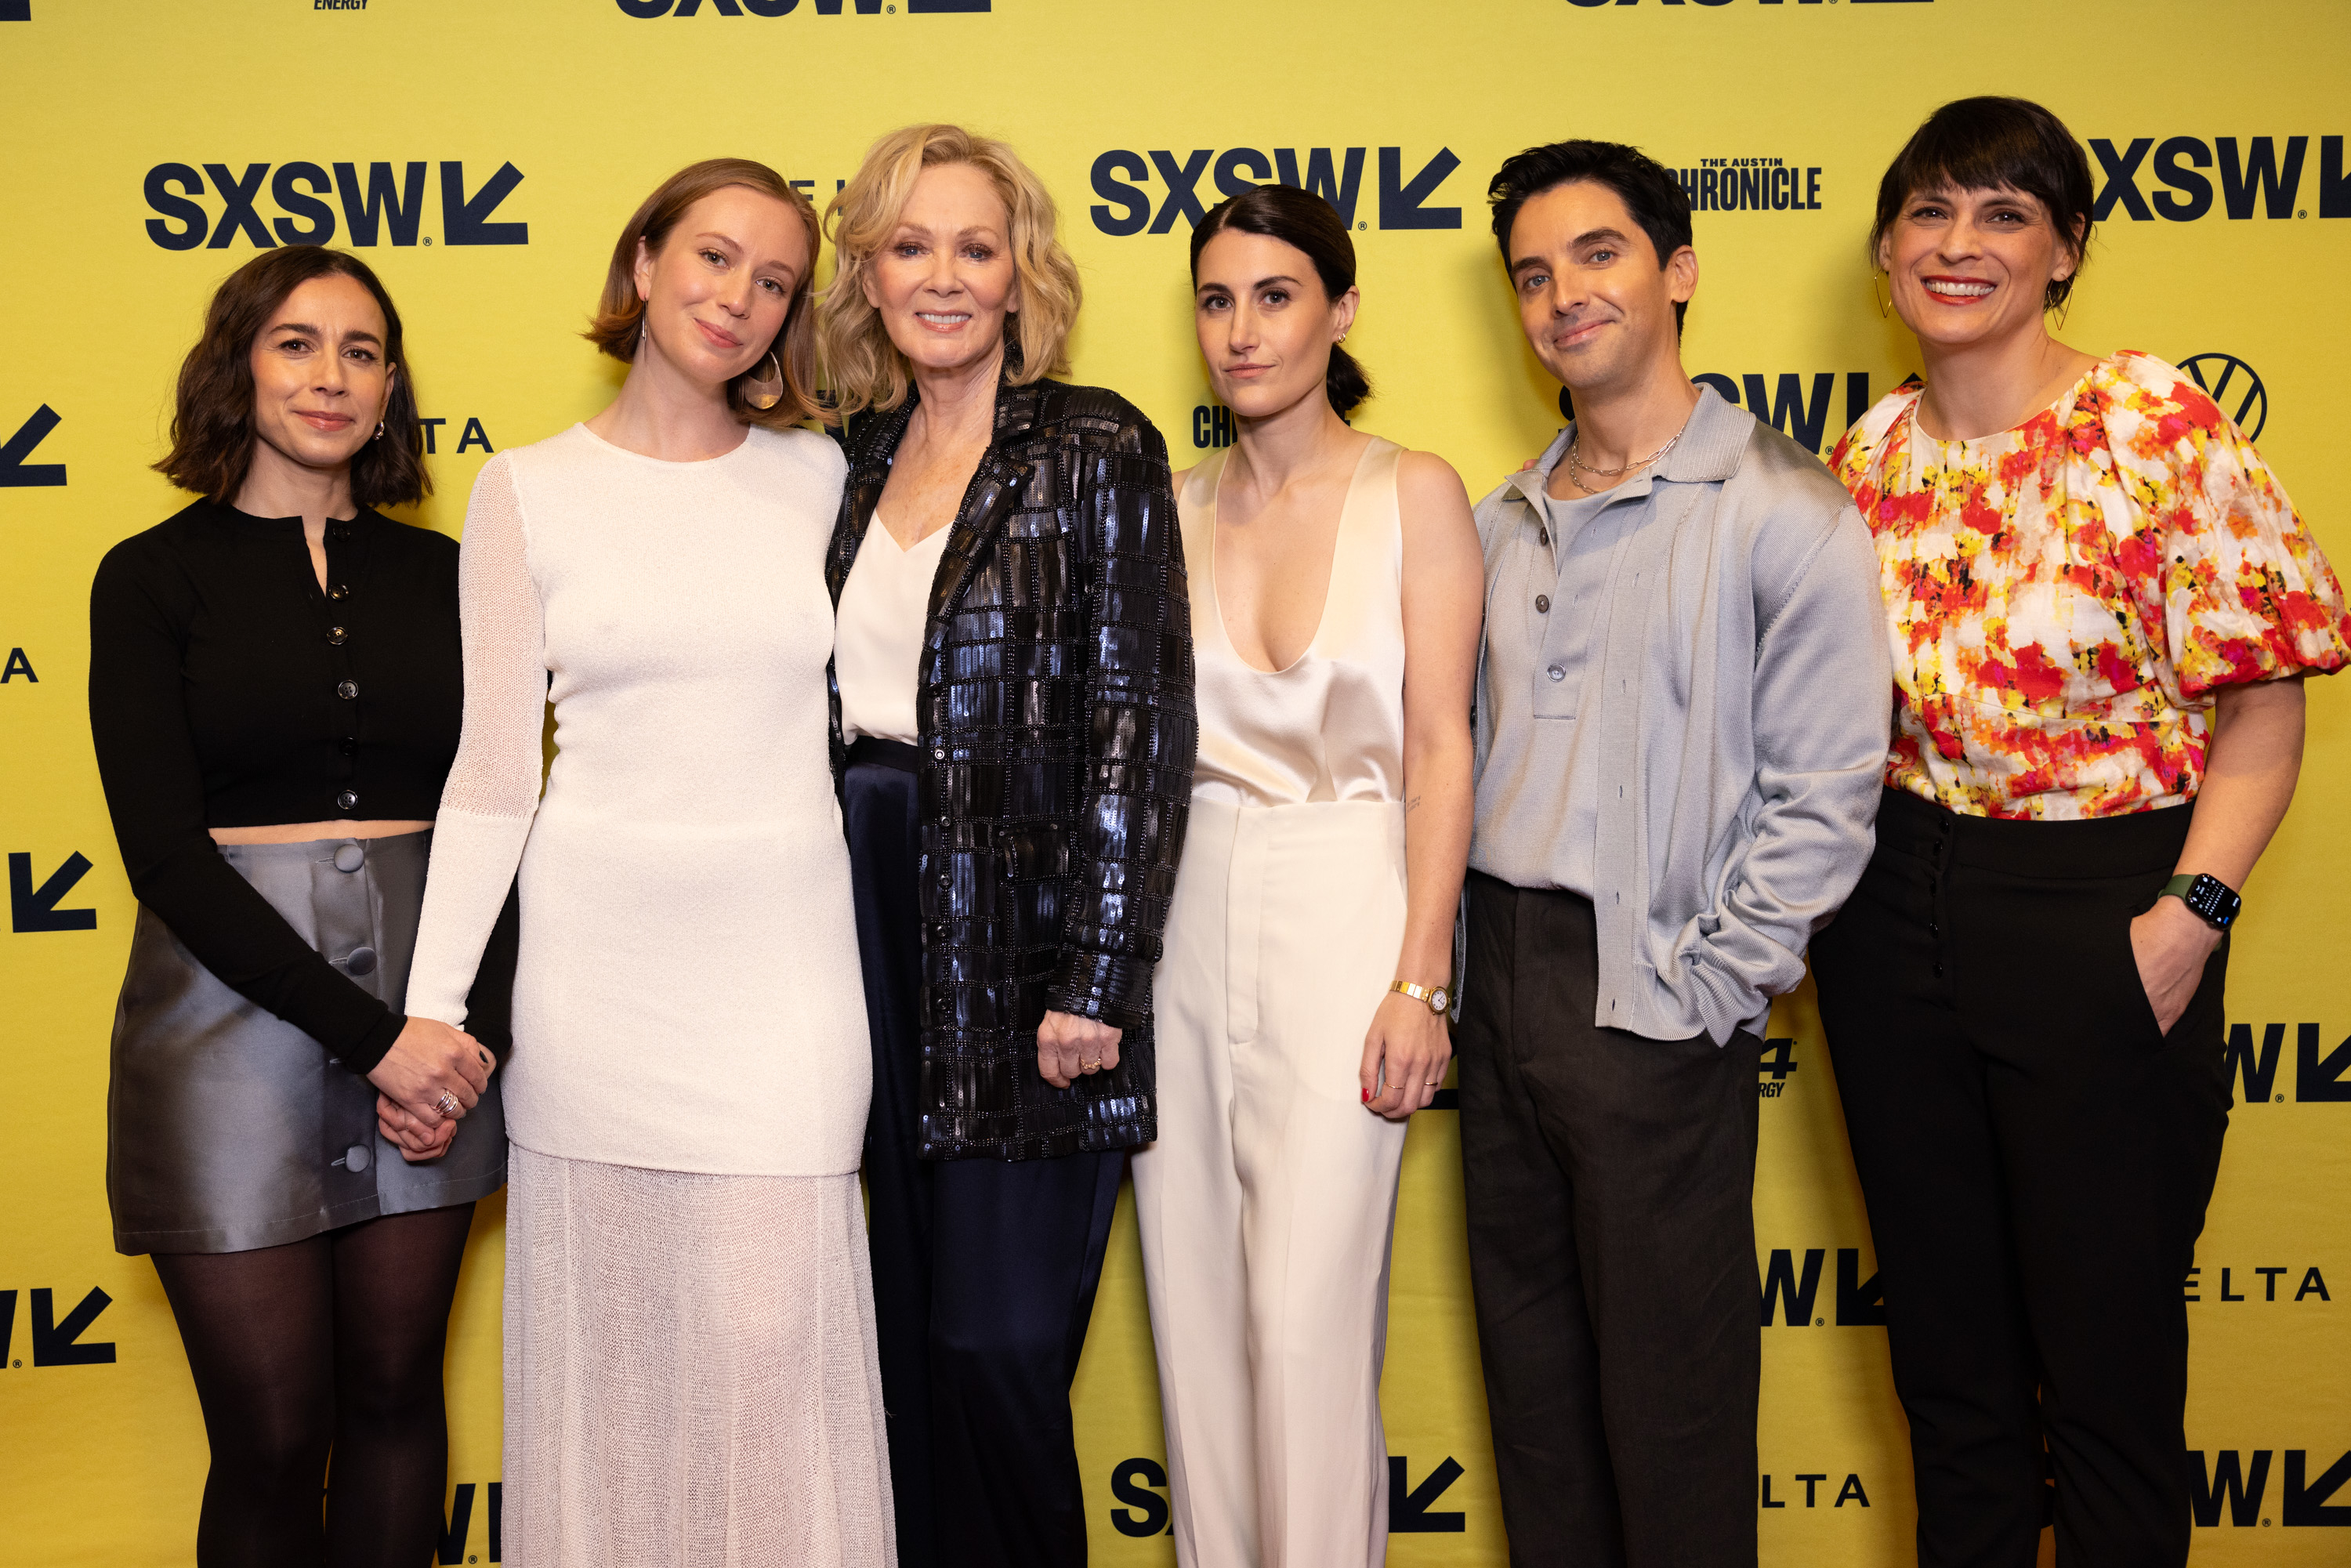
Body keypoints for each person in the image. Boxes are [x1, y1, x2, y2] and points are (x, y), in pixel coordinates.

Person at [1815, 96, 2351, 1568]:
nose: (1959, 243)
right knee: (1951, 1375)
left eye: (2003, 214)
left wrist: (2191, 921)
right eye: (1930, 211)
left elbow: (2265, 705)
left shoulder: (2152, 424)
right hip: (1892, 907)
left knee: (2109, 1381)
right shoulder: (1862, 459)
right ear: (1884, 252)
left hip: (2102, 902)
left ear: (2065, 252)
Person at [393, 158, 892, 1565]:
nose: (739, 297)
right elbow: (494, 771)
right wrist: (436, 1004)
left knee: (767, 1345)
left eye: (776, 280)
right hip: (597, 986)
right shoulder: (526, 492)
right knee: (611, 1369)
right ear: (645, 262)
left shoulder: (822, 478)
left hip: (785, 983)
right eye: (715, 257)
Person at [1459, 140, 1892, 1568]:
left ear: (1678, 270)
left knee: (1675, 1405)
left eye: (1598, 254)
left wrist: (1717, 982)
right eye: (1533, 272)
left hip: (1649, 984)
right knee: (1537, 1396)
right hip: (1501, 974)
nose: (1563, 294)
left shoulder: (1787, 508)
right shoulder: (1499, 513)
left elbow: (1826, 791)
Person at [89, 244, 516, 1567]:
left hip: (431, 1022)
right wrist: (371, 1037)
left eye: (362, 350)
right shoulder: (151, 578)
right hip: (226, 1032)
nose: (330, 375)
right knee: (274, 1435)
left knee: (396, 1404)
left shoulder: (457, 574)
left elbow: (498, 815)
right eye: (296, 342)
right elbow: (164, 853)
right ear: (238, 365)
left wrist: (452, 1041)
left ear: (391, 392)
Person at [817, 122, 1195, 1568]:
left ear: (1023, 271)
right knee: (899, 1338)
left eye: (977, 246)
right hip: (852, 918)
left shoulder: (1095, 444)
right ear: (867, 271)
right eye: (911, 245)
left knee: (996, 1344)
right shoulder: (845, 461)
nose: (945, 276)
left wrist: (1097, 971)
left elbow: (1140, 723)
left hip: (1026, 936)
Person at [1128, 183, 1482, 1567]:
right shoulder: (1167, 503)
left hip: (1354, 902)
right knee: (1197, 1312)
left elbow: (1446, 748)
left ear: (1338, 312)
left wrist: (1421, 974)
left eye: (1274, 296)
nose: (1240, 329)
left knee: (1304, 1321)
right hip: (1186, 918)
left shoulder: (1417, 492)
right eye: (1216, 300)